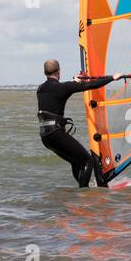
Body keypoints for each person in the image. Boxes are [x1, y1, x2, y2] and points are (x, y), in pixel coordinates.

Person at [36, 59, 114, 188]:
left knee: (76, 162)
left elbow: (60, 91)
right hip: (56, 134)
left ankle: (81, 190)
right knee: (87, 160)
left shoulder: (40, 89)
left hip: (45, 137)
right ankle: (83, 193)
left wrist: (74, 82)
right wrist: (112, 78)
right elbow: (91, 85)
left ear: (45, 72)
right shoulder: (63, 87)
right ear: (59, 72)